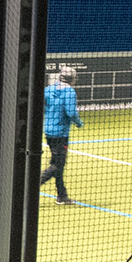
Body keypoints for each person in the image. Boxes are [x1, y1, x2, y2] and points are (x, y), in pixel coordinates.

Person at [40, 67, 83, 205]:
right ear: (71, 79)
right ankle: (32, 185)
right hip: (61, 134)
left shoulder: (49, 89)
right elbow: (71, 112)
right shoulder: (69, 92)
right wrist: (79, 123)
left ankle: (62, 196)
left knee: (58, 163)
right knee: (58, 165)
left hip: (49, 131)